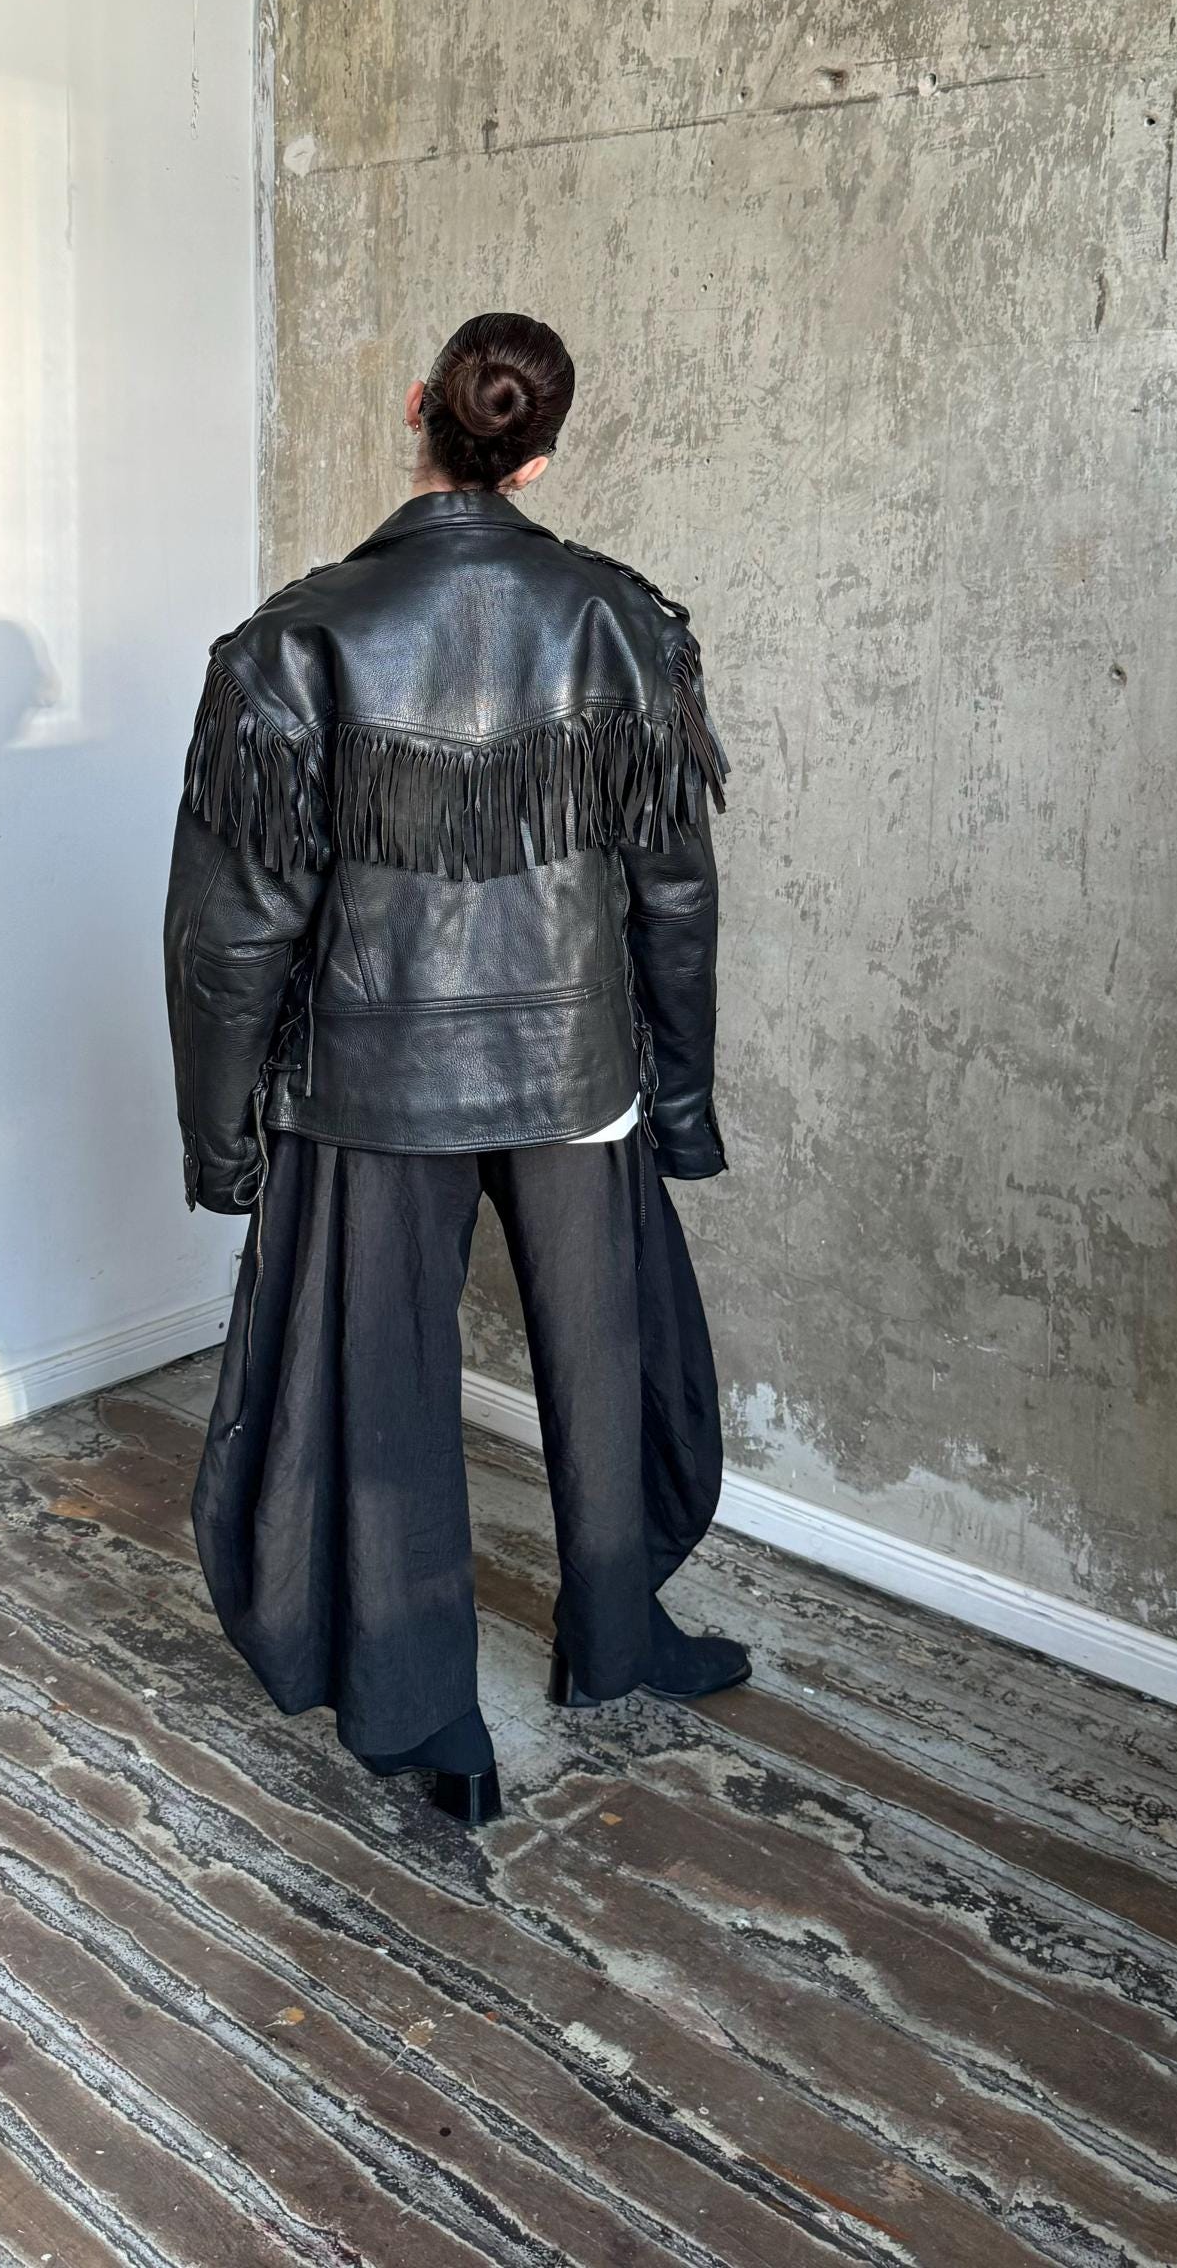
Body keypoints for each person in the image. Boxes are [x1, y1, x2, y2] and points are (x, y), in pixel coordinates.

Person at [164, 311, 747, 1826]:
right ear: (542, 453)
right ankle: (617, 1638)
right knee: (607, 1363)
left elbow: (231, 934)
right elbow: (675, 898)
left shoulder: (295, 641)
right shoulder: (626, 626)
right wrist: (678, 1101)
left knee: (386, 1392)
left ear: (415, 408)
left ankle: (432, 1725)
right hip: (579, 1063)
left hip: (371, 1081)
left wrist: (222, 1136)